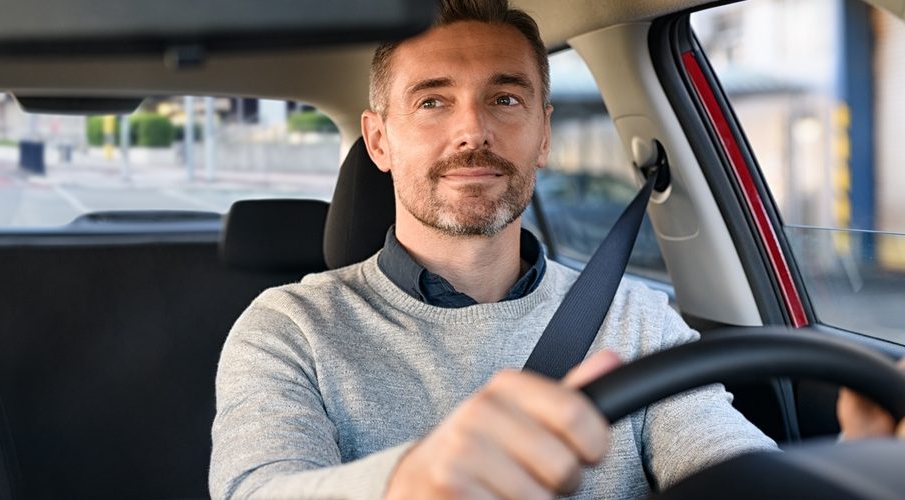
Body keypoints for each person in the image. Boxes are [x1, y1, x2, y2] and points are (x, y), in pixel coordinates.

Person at [209, 0, 899, 498]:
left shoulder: (637, 316)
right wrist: (408, 482)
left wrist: (854, 465)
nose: (472, 130)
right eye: (432, 102)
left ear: (544, 136)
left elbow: (723, 464)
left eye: (505, 100)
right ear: (380, 140)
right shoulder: (289, 326)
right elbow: (258, 487)